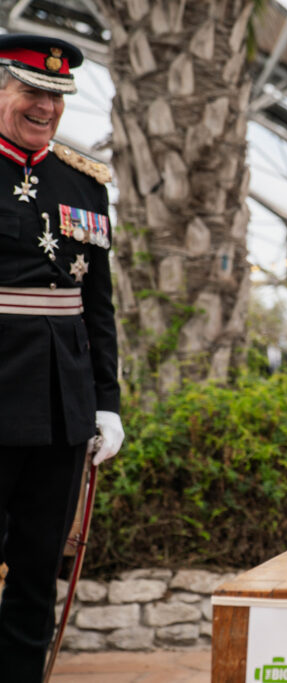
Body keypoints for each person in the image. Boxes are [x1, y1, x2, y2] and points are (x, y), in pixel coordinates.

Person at [0, 34, 125, 680]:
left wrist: (107, 402)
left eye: (56, 96)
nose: (45, 106)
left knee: (36, 568)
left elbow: (96, 309)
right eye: (31, 91)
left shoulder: (84, 184)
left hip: (60, 410)